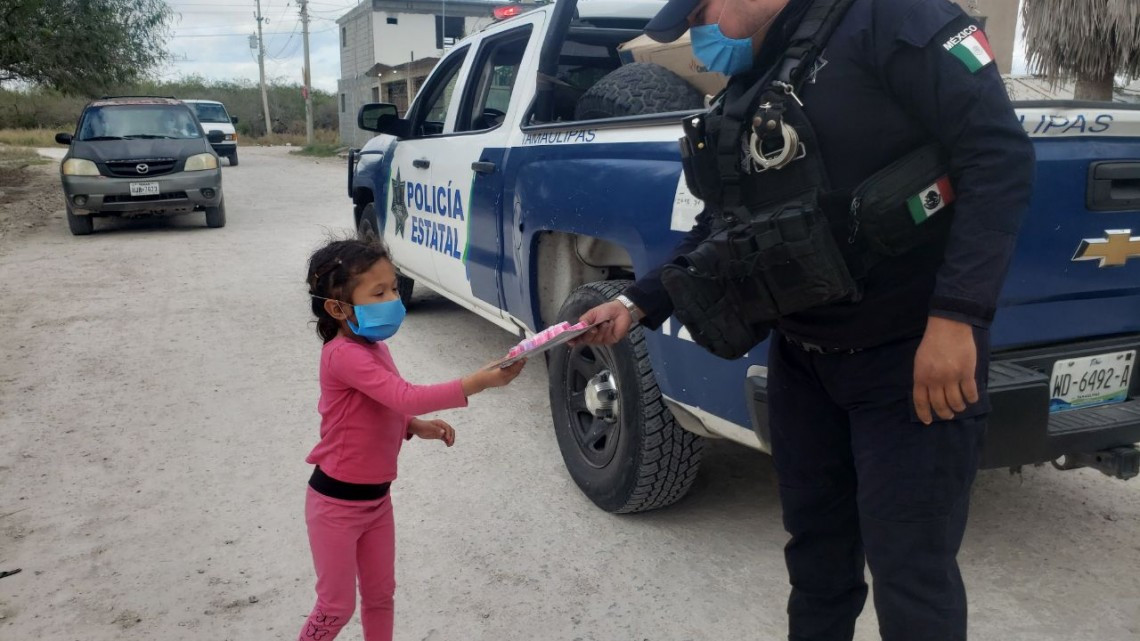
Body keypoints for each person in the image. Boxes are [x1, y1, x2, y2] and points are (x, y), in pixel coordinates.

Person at [578, 0, 1034, 639]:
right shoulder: (758, 77)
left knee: (912, 578)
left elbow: (998, 157)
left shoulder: (894, 17)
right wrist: (637, 302)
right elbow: (726, 227)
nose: (698, 36)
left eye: (702, 14)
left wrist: (958, 317)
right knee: (817, 564)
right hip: (804, 366)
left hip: (907, 363)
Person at [299, 238, 526, 641]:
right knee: (336, 607)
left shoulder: (373, 346)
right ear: (337, 308)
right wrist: (477, 382)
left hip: (375, 502)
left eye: (393, 287)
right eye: (379, 292)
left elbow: (386, 402)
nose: (394, 298)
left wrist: (411, 424)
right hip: (336, 504)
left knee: (381, 595)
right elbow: (403, 394)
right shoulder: (343, 355)